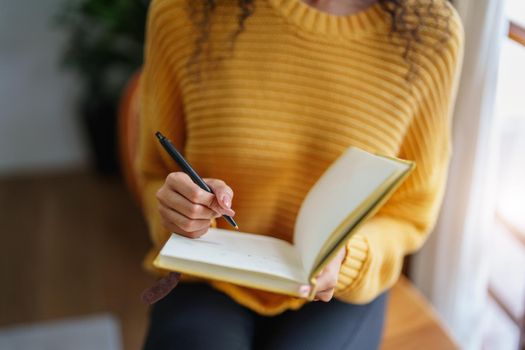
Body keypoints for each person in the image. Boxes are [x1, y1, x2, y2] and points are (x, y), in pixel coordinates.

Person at [137, 0, 463, 348]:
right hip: (207, 273)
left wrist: (350, 256)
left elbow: (411, 212)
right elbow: (156, 172)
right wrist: (182, 215)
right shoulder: (185, 11)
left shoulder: (430, 32)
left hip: (337, 289)